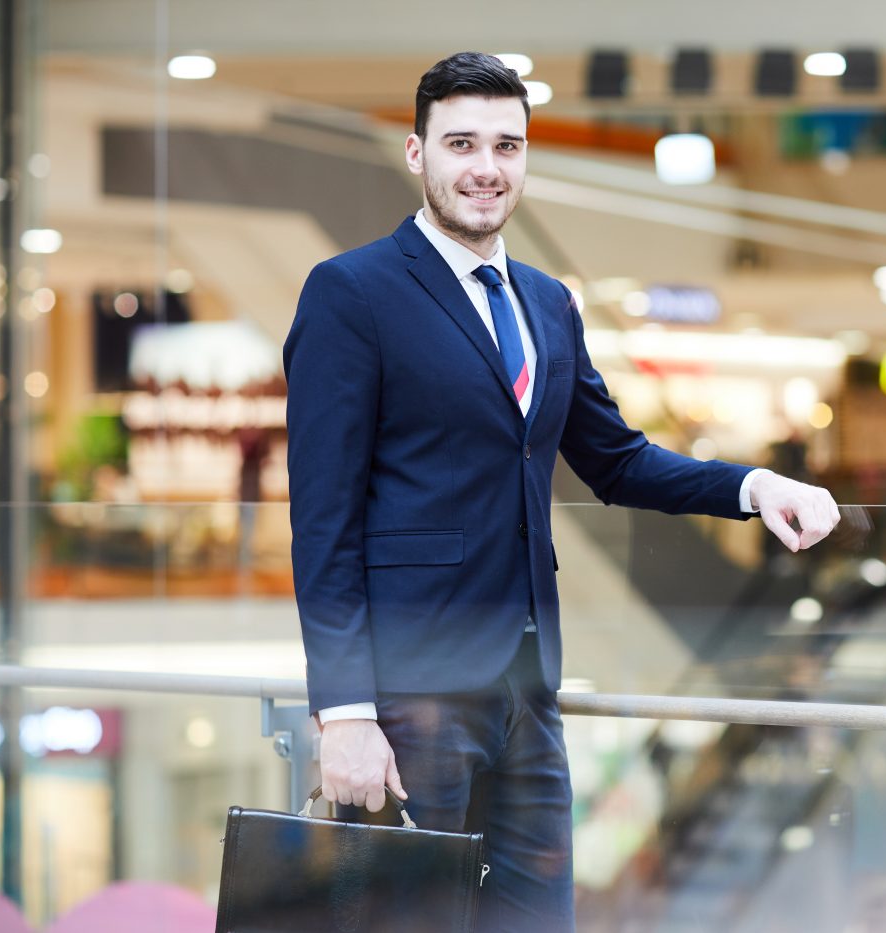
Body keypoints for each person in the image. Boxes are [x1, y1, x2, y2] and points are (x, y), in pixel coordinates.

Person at [283, 51, 841, 932]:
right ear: (417, 154)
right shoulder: (353, 292)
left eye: (507, 145)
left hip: (528, 686)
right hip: (410, 690)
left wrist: (753, 484)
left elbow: (615, 459)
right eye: (461, 142)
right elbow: (322, 519)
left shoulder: (546, 301)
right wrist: (344, 712)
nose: (486, 167)